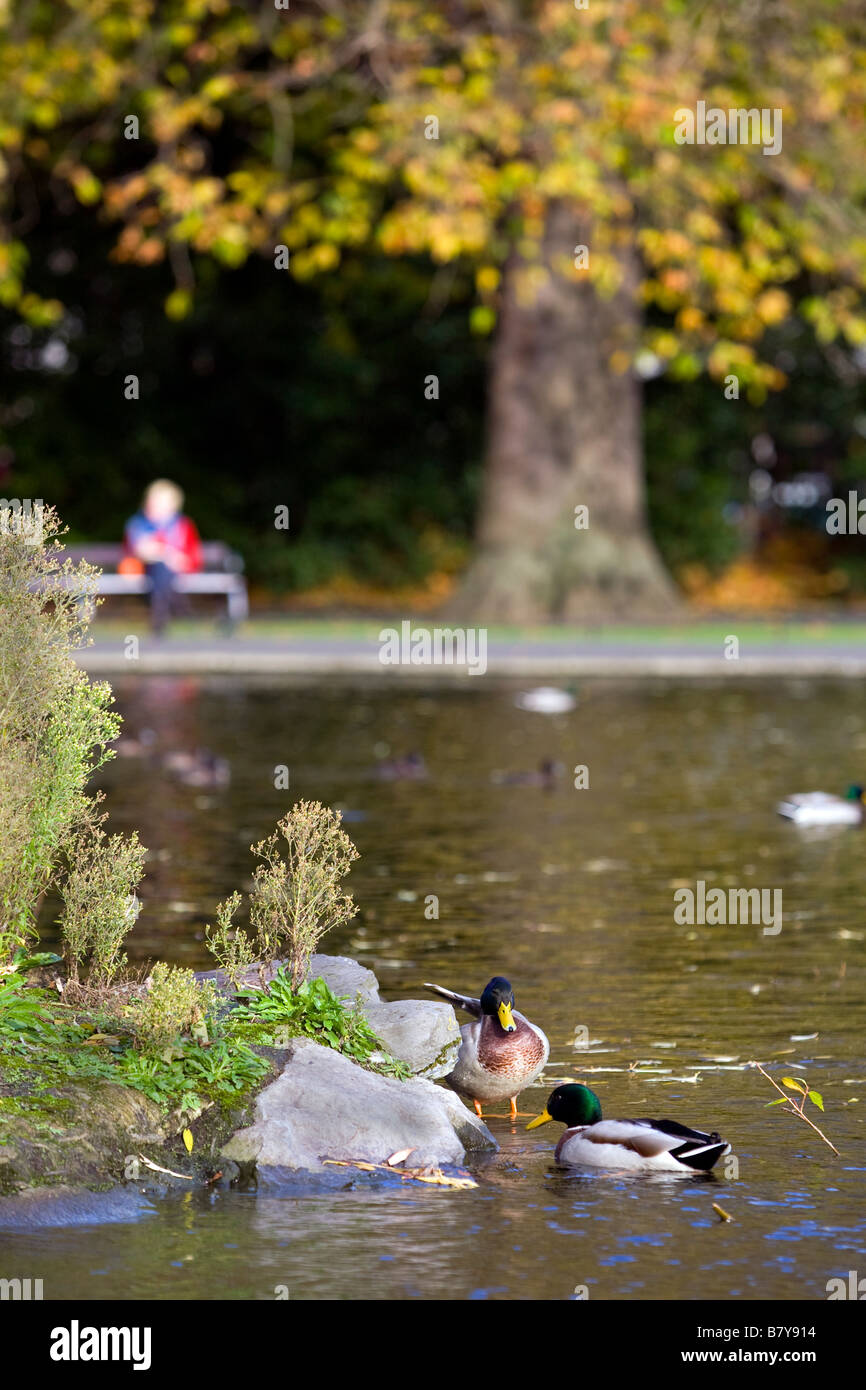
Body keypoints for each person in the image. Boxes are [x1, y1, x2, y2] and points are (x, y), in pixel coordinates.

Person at [123, 480, 202, 634]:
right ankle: (179, 612)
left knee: (162, 569)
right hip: (143, 571)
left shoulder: (183, 526)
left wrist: (166, 555)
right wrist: (166, 555)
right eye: (151, 501)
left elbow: (191, 558)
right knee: (160, 567)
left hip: (176, 572)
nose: (152, 505)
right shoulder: (137, 524)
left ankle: (160, 618)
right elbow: (136, 552)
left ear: (173, 506)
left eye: (158, 502)